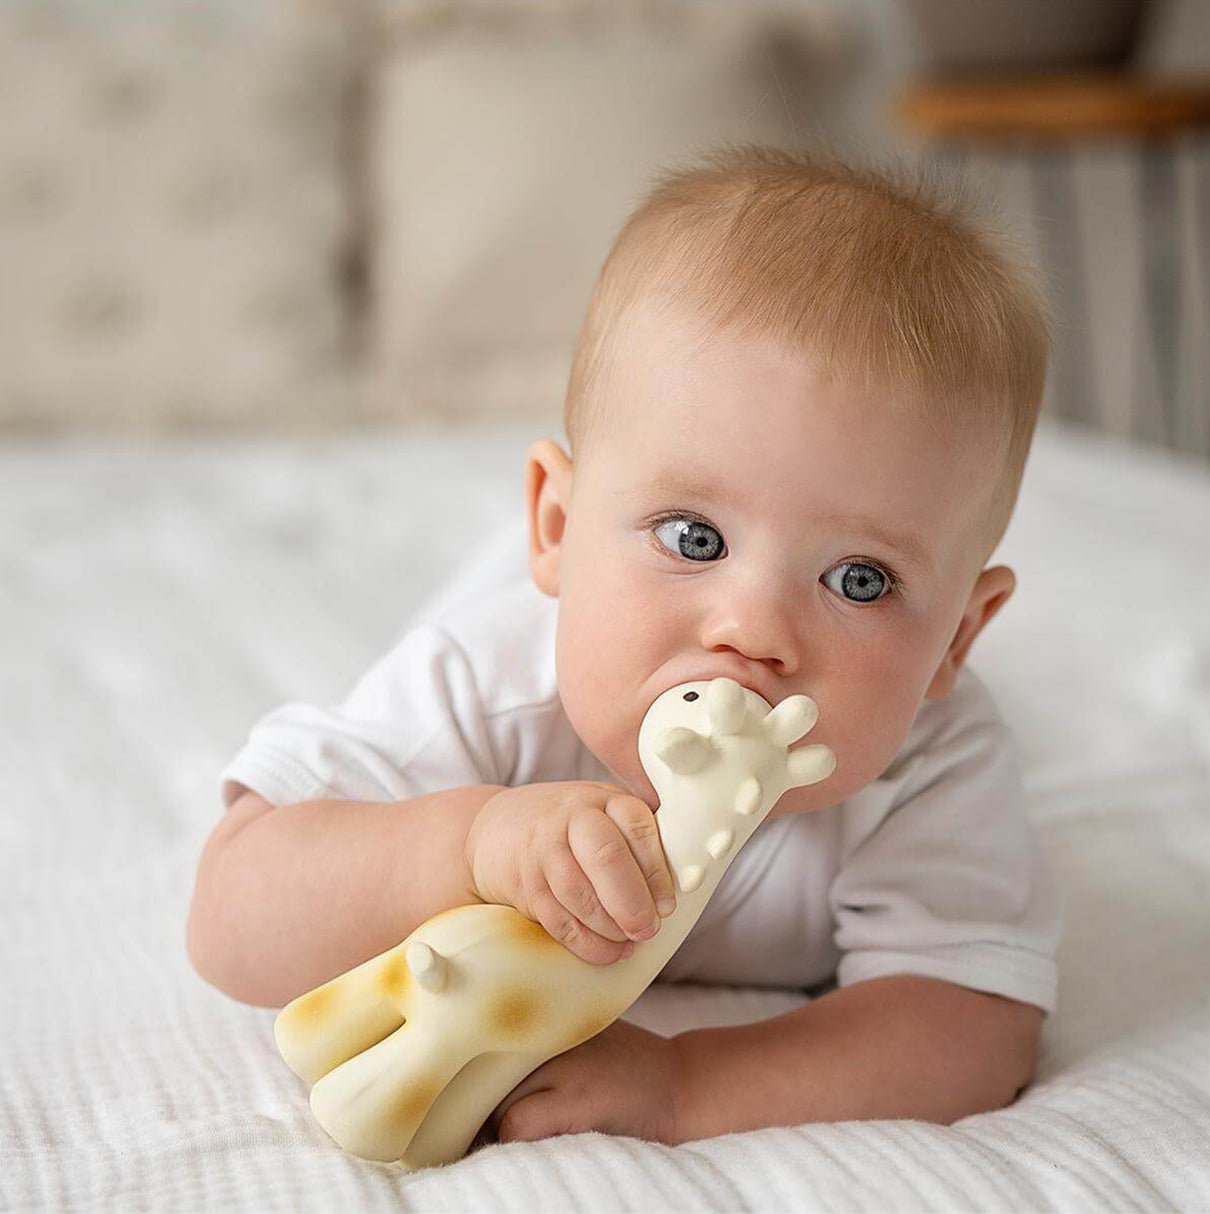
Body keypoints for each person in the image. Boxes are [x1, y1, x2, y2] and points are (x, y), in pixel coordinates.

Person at [187, 144, 1062, 1147]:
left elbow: (971, 1024)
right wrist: (460, 844)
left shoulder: (930, 760)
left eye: (858, 579)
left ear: (955, 636)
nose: (751, 629)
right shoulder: (486, 686)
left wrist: (687, 1081)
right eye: (694, 537)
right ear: (554, 525)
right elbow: (229, 911)